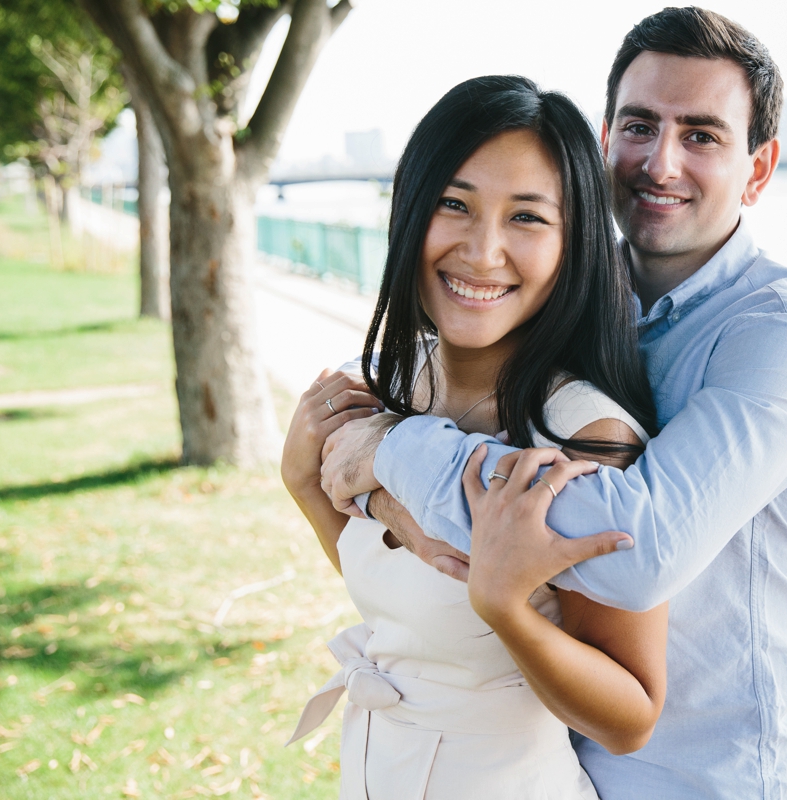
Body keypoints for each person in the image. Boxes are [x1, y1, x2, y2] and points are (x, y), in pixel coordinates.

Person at [321, 7, 787, 799]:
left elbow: (635, 547)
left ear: (759, 169)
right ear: (604, 143)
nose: (659, 162)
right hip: (554, 758)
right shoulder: (566, 312)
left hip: (702, 776)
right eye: (639, 126)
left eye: (702, 135)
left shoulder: (781, 337)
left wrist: (392, 450)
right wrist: (382, 499)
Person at [280, 75, 670, 800]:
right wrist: (309, 486)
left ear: (572, 244)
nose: (483, 251)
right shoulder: (389, 386)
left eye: (526, 218)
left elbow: (630, 718)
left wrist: (508, 609)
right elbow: (409, 609)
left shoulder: (585, 437)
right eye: (455, 204)